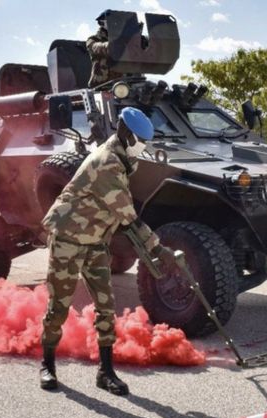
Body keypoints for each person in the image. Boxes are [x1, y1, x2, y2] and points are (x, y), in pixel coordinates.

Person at [39, 107, 175, 395]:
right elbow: (128, 215)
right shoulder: (107, 163)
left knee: (106, 305)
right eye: (140, 140)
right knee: (60, 305)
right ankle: (48, 365)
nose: (143, 146)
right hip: (69, 237)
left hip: (96, 240)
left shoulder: (123, 158)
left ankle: (106, 372)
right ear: (125, 134)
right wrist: (157, 248)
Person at [86, 9, 149, 87]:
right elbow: (105, 48)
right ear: (102, 23)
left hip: (129, 84)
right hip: (103, 86)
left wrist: (140, 41)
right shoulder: (93, 40)